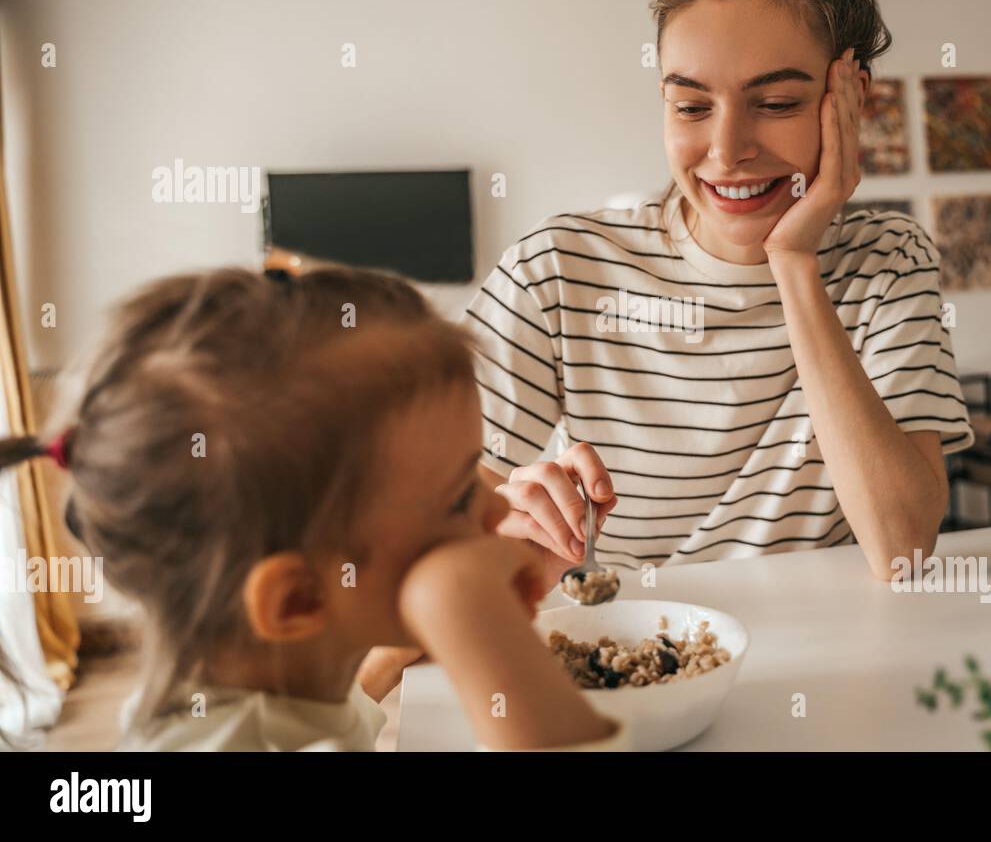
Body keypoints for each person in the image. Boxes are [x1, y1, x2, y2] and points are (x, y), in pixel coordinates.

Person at [466, 0, 973, 583]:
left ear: (853, 101)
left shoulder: (887, 259)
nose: (726, 149)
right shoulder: (555, 270)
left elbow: (904, 548)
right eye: (691, 104)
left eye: (776, 103)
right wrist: (514, 521)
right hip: (639, 665)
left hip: (832, 665)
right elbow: (445, 531)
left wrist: (792, 260)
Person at [0, 266, 624, 751]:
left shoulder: (267, 698)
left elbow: (342, 710)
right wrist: (485, 629)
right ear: (297, 599)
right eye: (460, 495)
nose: (499, 506)